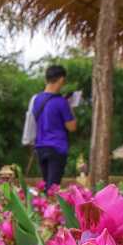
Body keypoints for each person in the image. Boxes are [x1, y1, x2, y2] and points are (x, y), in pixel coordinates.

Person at [33, 65, 78, 193]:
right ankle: (49, 211)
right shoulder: (61, 102)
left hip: (40, 146)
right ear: (61, 80)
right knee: (53, 189)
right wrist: (70, 107)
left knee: (46, 184)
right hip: (57, 147)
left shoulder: (37, 99)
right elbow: (72, 127)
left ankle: (43, 208)